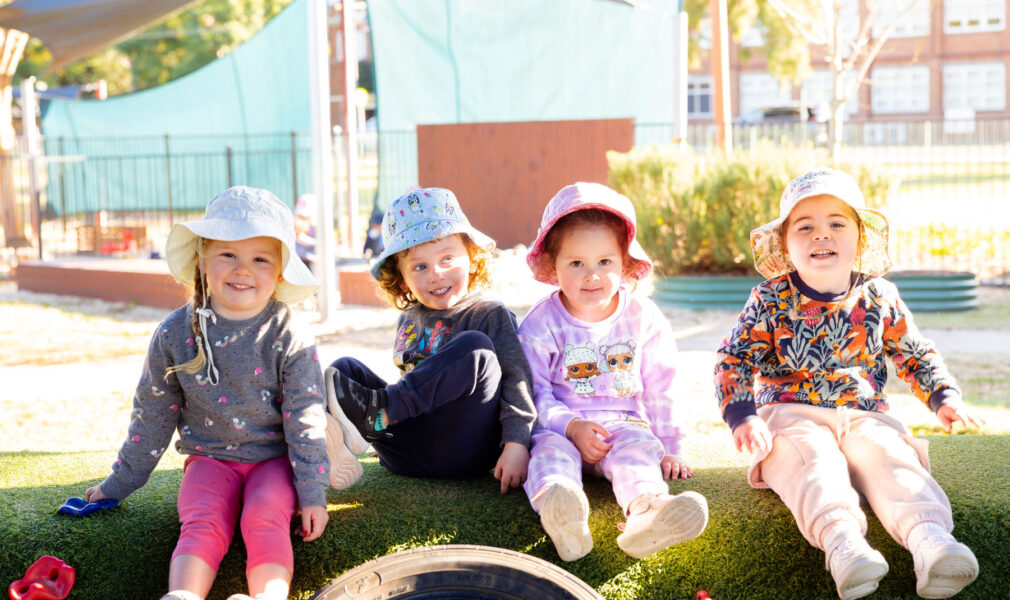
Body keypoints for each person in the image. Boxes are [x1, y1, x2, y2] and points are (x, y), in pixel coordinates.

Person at [714, 167, 984, 600]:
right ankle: (844, 545)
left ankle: (931, 541)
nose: (822, 235)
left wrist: (943, 397)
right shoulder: (769, 299)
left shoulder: (880, 296)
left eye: (836, 224)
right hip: (791, 411)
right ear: (785, 245)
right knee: (811, 464)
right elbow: (734, 357)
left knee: (892, 460)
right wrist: (742, 414)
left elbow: (913, 352)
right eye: (806, 227)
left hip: (864, 414)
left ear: (859, 238)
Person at [84, 186, 343, 600]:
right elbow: (152, 412)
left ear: (279, 272)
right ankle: (183, 595)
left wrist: (312, 492)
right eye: (228, 255)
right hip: (209, 460)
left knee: (265, 515)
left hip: (273, 462)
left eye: (260, 259)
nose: (243, 270)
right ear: (202, 259)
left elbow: (306, 414)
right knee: (202, 519)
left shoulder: (289, 332)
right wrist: (120, 482)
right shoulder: (175, 332)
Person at [518, 182, 708, 562]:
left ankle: (647, 513)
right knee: (548, 457)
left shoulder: (644, 318)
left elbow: (661, 385)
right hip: (562, 428)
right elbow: (533, 392)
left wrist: (671, 446)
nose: (592, 276)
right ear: (553, 265)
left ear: (624, 262)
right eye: (577, 263)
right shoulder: (541, 323)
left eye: (605, 262)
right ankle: (563, 514)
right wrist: (571, 427)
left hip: (623, 424)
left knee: (636, 453)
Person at [325, 187, 536, 493]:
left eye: (447, 259)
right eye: (419, 267)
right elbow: (412, 380)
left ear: (472, 258)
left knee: (474, 348)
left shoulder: (490, 314)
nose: (436, 274)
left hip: (462, 449)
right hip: (407, 453)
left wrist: (517, 442)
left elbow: (518, 382)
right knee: (344, 369)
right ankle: (339, 444)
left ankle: (377, 413)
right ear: (401, 278)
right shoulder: (410, 318)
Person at [293, 193, 318, 269]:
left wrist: (308, 241)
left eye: (305, 217)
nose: (301, 218)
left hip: (313, 263)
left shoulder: (317, 226)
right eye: (300, 216)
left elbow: (324, 245)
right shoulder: (296, 223)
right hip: (299, 262)